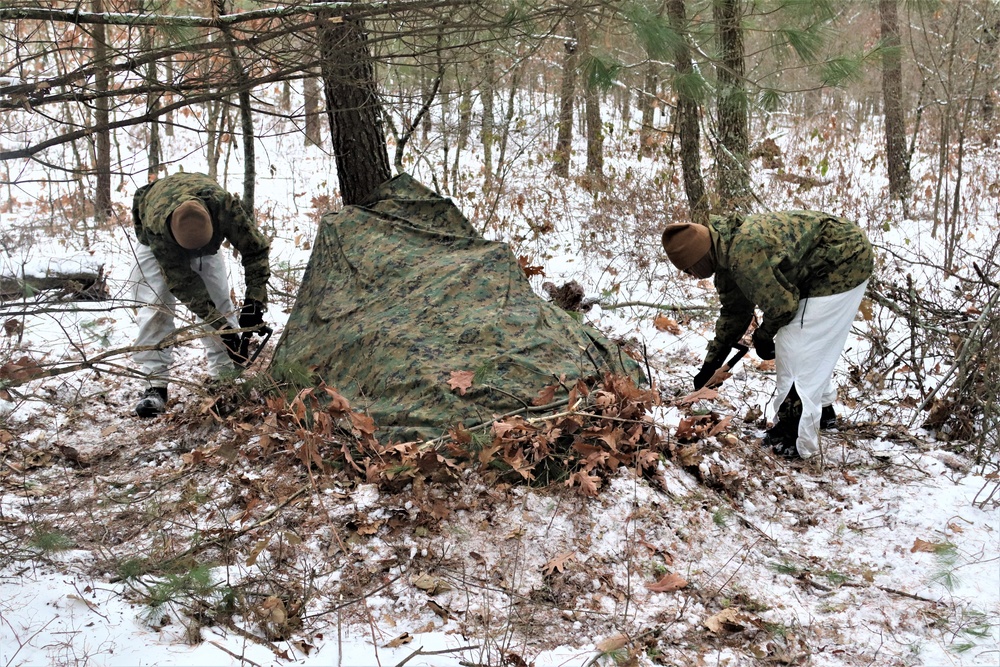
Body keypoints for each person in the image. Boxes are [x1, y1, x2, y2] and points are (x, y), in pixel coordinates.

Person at [661, 211, 873, 460]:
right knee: (799, 337)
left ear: (699, 258)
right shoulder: (726, 253)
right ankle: (823, 411)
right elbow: (734, 314)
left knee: (795, 344)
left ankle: (793, 435)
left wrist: (763, 336)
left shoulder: (744, 252)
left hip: (844, 259)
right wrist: (711, 364)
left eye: (689, 270)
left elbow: (782, 307)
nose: (691, 276)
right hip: (825, 261)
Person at [129, 172, 271, 417]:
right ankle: (154, 385)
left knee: (219, 301)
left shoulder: (225, 207)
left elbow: (256, 250)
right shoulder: (158, 228)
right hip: (158, 245)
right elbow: (184, 285)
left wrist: (254, 302)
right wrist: (219, 328)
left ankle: (224, 376)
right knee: (155, 306)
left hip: (206, 237)